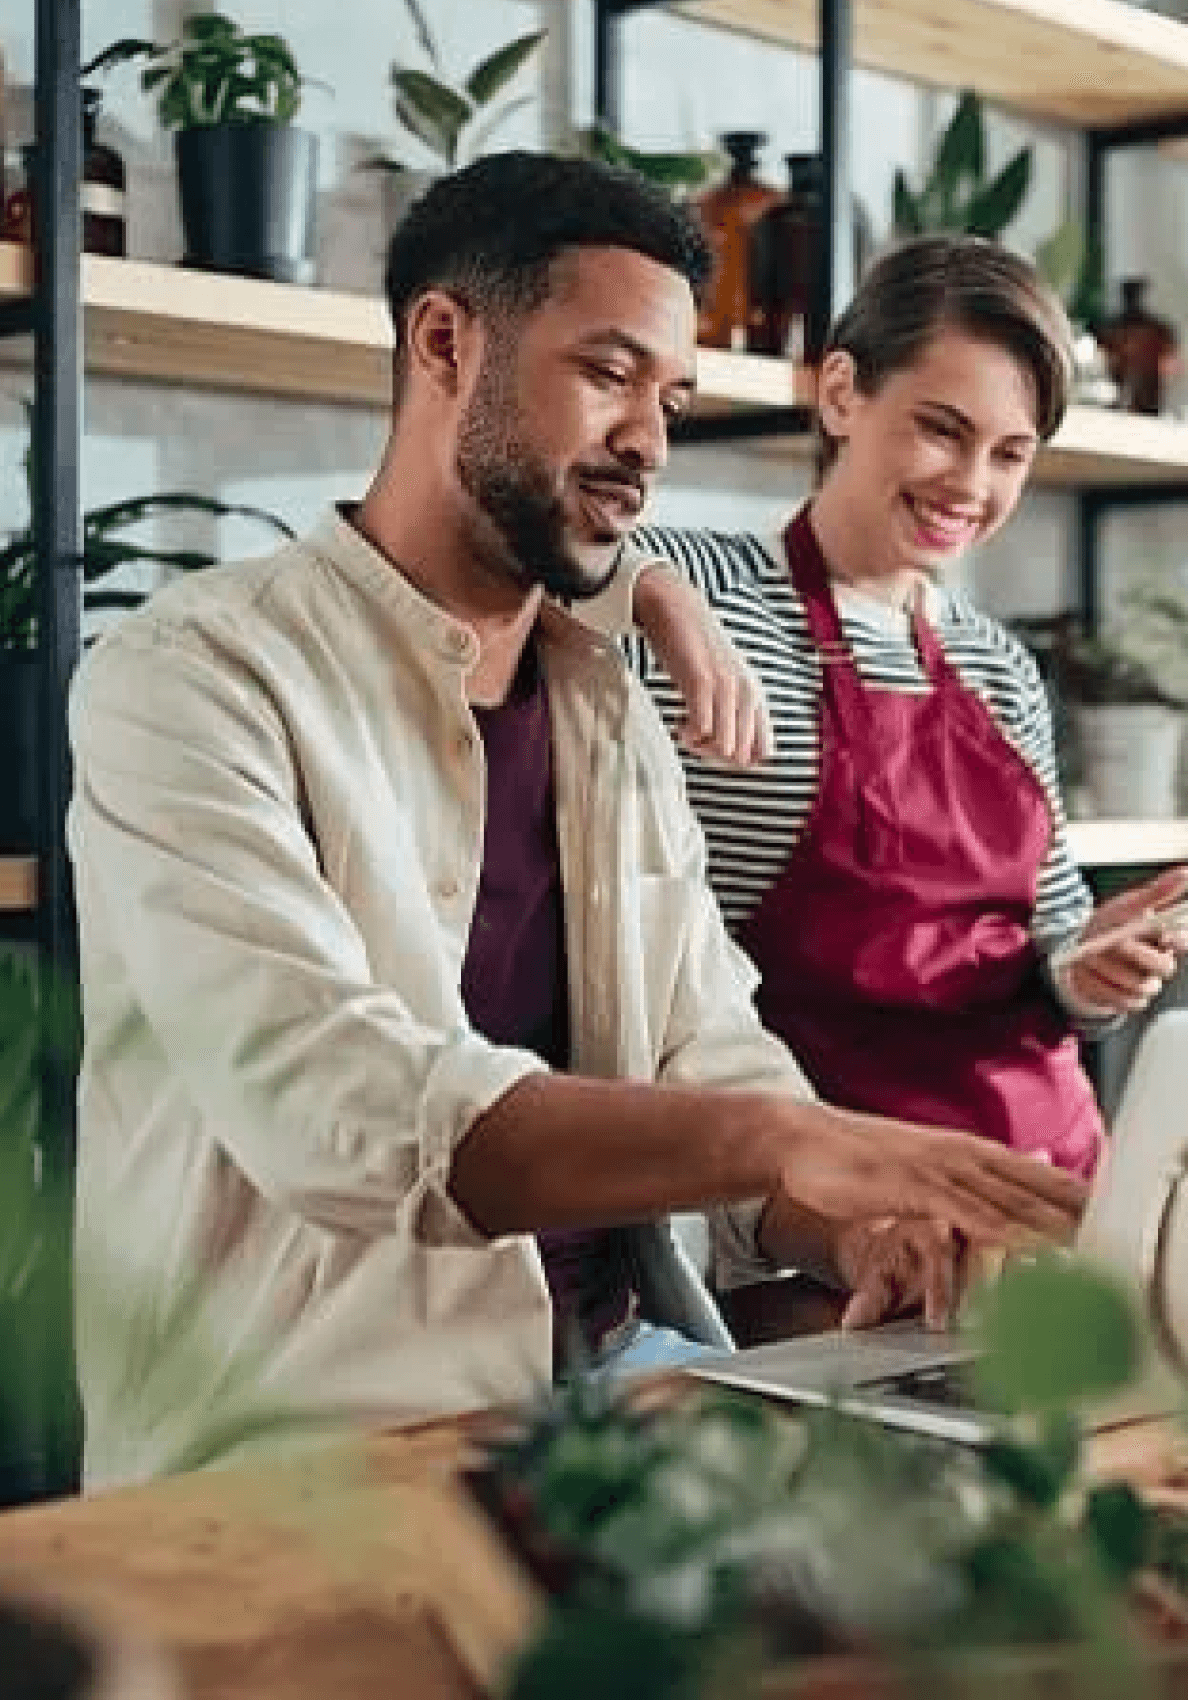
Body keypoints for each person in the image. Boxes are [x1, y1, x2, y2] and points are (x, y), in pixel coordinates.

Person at [66, 158, 1085, 1487]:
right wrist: (798, 1139)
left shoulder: (605, 706)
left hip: (613, 1420)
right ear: (446, 342)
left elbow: (706, 1047)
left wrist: (851, 1228)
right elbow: (335, 1102)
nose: (650, 443)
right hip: (299, 1471)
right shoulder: (193, 677)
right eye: (609, 373)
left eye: (671, 400)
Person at [624, 234, 1188, 1181]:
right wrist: (650, 592)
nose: (971, 486)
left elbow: (1046, 952)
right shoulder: (704, 592)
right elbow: (540, 556)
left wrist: (1093, 968)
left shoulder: (999, 663)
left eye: (1010, 454)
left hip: (1049, 1168)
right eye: (942, 429)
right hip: (829, 1188)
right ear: (844, 393)